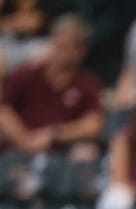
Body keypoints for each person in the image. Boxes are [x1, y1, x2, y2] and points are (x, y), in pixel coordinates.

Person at [0, 13, 102, 157]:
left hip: (62, 152)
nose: (59, 51)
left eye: (67, 46)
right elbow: (4, 110)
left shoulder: (87, 83)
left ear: (80, 51)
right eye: (57, 44)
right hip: (19, 151)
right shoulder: (27, 74)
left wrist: (53, 134)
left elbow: (92, 124)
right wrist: (25, 140)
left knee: (87, 153)